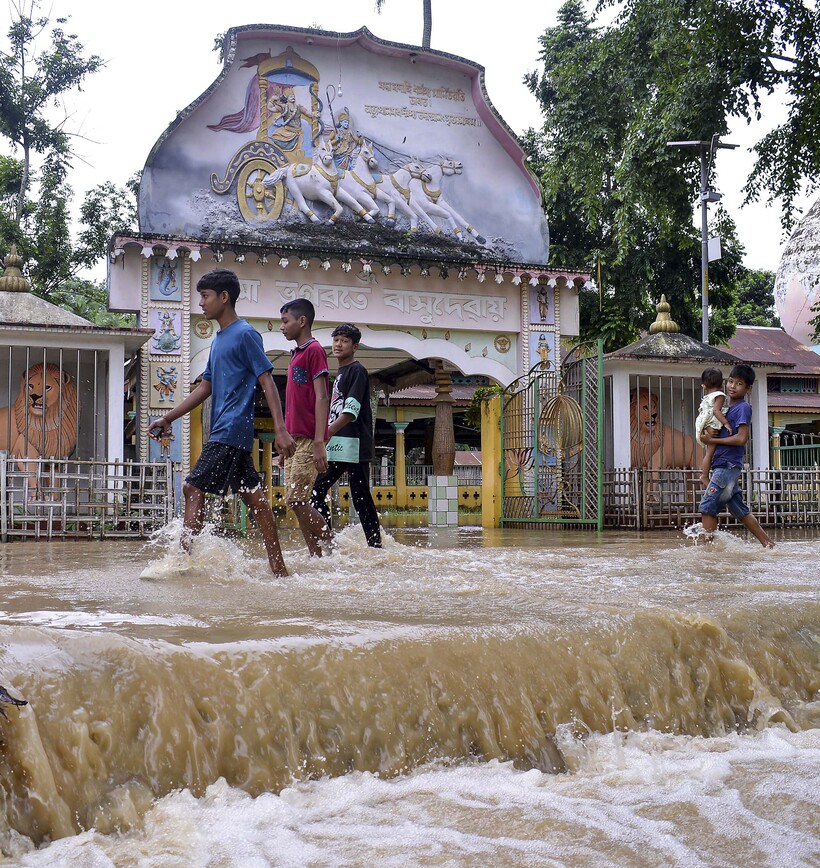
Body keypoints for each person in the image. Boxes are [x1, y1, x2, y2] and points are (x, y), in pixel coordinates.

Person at [146, 269, 295, 576]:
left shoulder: (245, 334)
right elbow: (206, 387)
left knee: (191, 486)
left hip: (230, 428)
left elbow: (267, 382)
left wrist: (280, 430)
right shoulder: (219, 339)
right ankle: (279, 569)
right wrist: (168, 416)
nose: (200, 303)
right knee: (254, 497)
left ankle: (180, 564)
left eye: (205, 296)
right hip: (228, 431)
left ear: (223, 297)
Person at [310, 324, 382, 548]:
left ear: (355, 346)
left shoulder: (357, 370)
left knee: (359, 497)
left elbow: (351, 411)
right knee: (317, 490)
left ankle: (374, 545)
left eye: (344, 340)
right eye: (336, 340)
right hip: (340, 443)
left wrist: (325, 434)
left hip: (354, 443)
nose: (338, 344)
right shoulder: (341, 372)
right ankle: (328, 540)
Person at [279, 297, 333, 557]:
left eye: (285, 321)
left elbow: (322, 397)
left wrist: (320, 441)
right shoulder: (295, 354)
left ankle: (333, 547)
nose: (282, 326)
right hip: (294, 440)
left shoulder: (314, 350)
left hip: (310, 439)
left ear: (302, 321)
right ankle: (316, 556)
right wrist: (284, 443)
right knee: (294, 501)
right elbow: (293, 404)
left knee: (298, 500)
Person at [698, 364, 774, 548]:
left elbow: (741, 438)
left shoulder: (742, 408)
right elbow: (710, 435)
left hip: (727, 466)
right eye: (731, 381)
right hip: (724, 465)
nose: (732, 386)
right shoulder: (724, 408)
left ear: (748, 389)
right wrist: (705, 437)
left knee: (707, 507)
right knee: (740, 510)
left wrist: (715, 442)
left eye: (739, 383)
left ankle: (705, 553)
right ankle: (769, 545)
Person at [696, 367, 732, 484]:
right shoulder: (719, 395)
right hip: (712, 425)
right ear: (722, 383)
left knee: (709, 452)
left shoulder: (707, 396)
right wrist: (726, 423)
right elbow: (716, 411)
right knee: (709, 453)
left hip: (705, 424)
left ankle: (705, 474)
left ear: (704, 386)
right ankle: (704, 475)